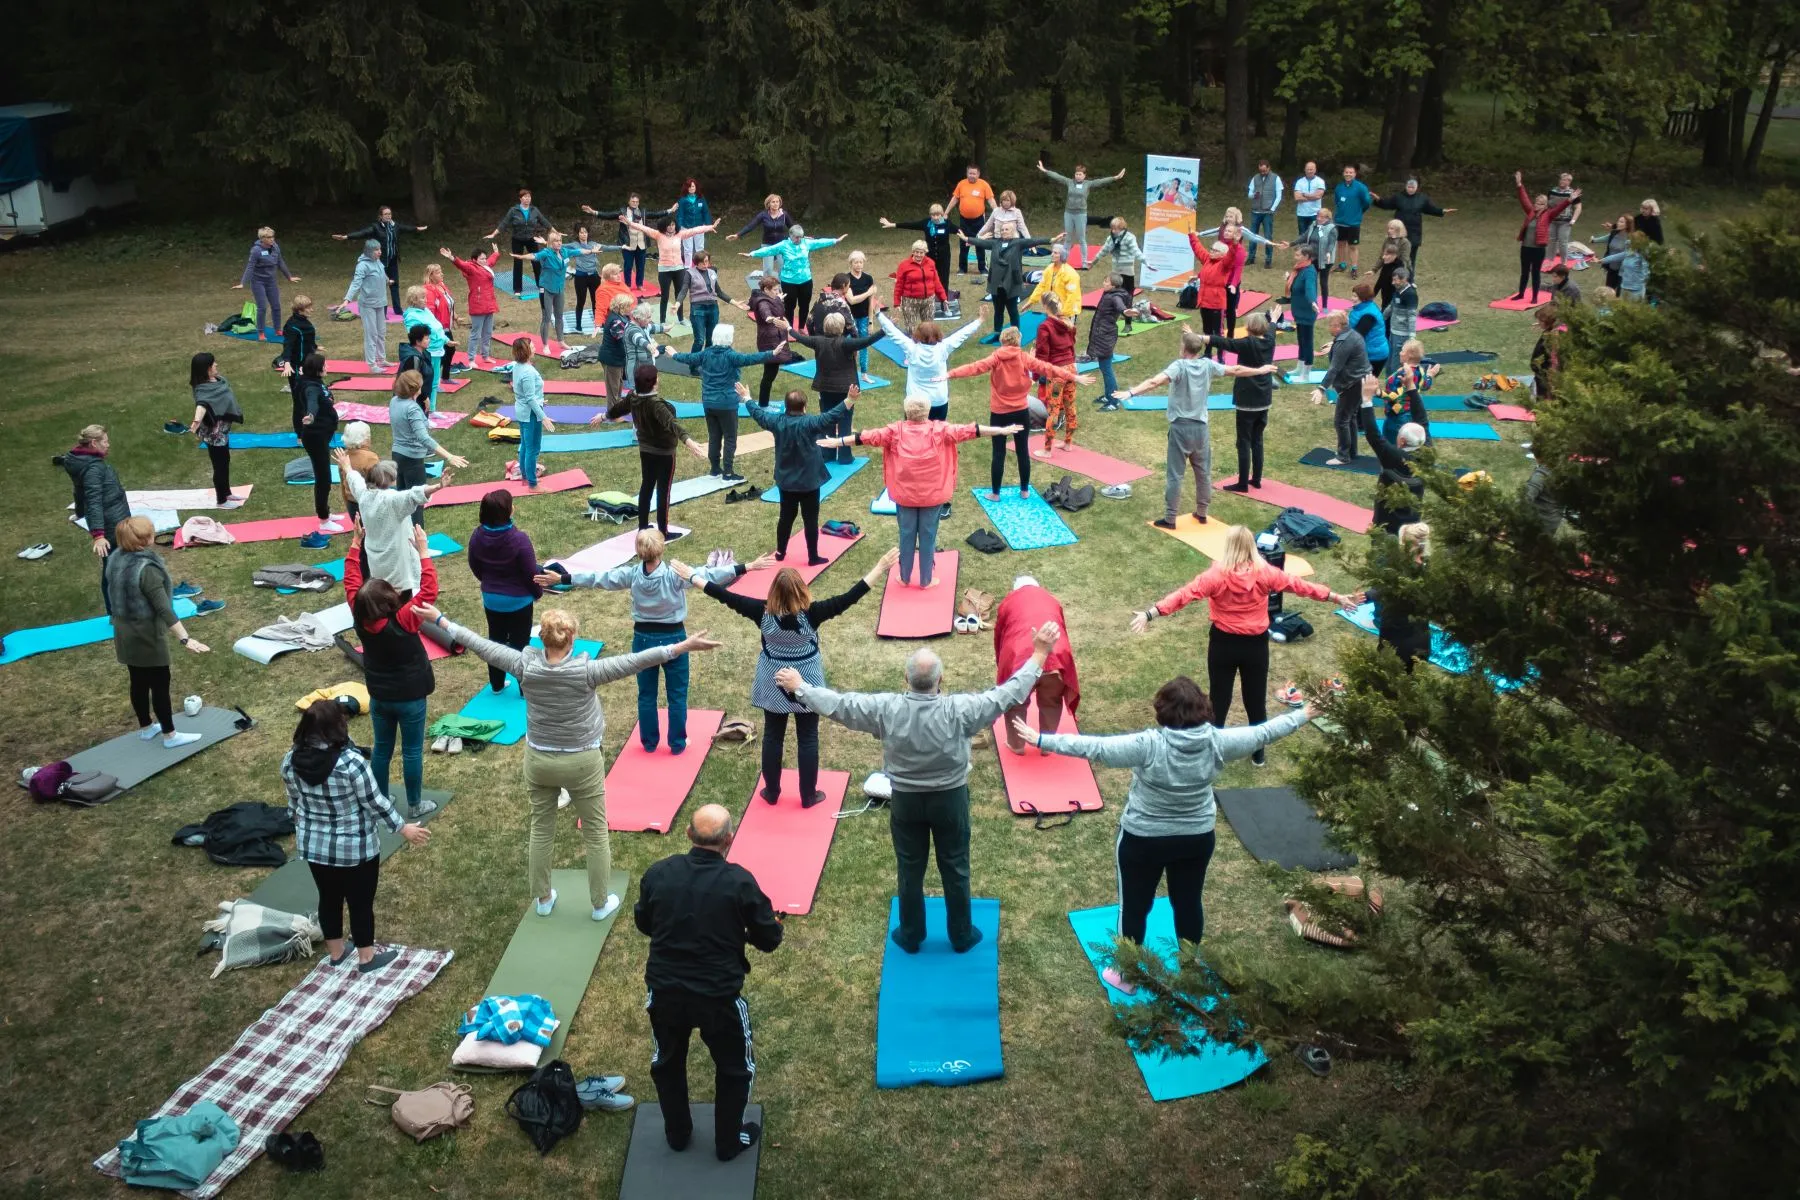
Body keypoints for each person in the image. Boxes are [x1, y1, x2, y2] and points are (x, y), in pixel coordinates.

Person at [419, 596, 719, 917]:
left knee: (541, 828)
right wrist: (682, 646)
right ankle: (600, 904)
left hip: (539, 761)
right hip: (582, 762)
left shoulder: (524, 665)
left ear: (542, 639)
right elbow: (636, 661)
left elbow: (480, 645)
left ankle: (543, 900)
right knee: (595, 831)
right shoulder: (587, 671)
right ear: (572, 638)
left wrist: (441, 620)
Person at [777, 619, 1060, 952]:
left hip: (906, 802)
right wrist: (1040, 652)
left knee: (909, 869)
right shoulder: (962, 710)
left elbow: (840, 706)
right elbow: (1010, 693)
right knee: (956, 867)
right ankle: (961, 936)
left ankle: (911, 936)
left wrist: (801, 687)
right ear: (941, 680)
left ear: (906, 678)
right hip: (950, 800)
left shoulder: (886, 709)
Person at [1015, 679, 1316, 986]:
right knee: (1188, 903)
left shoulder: (1149, 745)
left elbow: (1096, 748)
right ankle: (1190, 971)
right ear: (1203, 709)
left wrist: (1041, 739)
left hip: (1143, 841)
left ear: (1163, 712)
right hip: (1196, 839)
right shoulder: (1218, 742)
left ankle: (1126, 976)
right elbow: (1265, 733)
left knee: (1134, 907)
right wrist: (1304, 713)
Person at [634, 804, 784, 1161]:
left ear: (689, 834)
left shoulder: (659, 873)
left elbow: (645, 923)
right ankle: (728, 1141)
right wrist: (753, 930)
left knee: (668, 1061)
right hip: (719, 997)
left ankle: (677, 1134)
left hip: (665, 992)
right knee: (736, 1068)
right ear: (728, 839)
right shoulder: (740, 882)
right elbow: (769, 939)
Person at [695, 547, 898, 807]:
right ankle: (808, 795)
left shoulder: (760, 611)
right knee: (808, 737)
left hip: (773, 679)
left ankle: (771, 792)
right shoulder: (813, 613)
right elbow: (851, 596)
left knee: (773, 736)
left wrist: (692, 577)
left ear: (773, 592)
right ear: (802, 591)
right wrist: (880, 567)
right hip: (806, 681)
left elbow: (723, 595)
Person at [1129, 524, 1357, 747]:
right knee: (1255, 700)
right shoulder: (1265, 572)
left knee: (1219, 700)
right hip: (1255, 646)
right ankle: (1258, 753)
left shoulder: (1215, 575)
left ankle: (1212, 747)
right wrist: (1336, 597)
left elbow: (1184, 595)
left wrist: (1150, 614)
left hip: (1223, 645)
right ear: (1251, 546)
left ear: (1228, 546)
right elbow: (1299, 585)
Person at [574, 532, 769, 753]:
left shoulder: (631, 575)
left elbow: (598, 578)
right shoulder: (674, 575)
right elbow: (710, 574)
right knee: (677, 694)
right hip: (675, 639)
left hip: (643, 639)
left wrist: (564, 578)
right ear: (662, 549)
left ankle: (649, 743)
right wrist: (746, 566)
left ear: (638, 551)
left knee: (646, 694)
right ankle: (677, 744)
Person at [283, 699, 430, 973]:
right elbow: (375, 803)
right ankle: (366, 958)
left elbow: (294, 803)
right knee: (360, 903)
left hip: (314, 846)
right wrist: (403, 828)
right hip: (355, 847)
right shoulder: (351, 764)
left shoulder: (290, 761)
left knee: (328, 899)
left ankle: (337, 954)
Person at [820, 396, 1019, 587]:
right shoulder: (941, 430)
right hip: (933, 496)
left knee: (906, 536)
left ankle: (904, 577)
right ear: (927, 410)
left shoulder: (895, 431)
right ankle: (926, 580)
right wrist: (1001, 430)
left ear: (907, 411)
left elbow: (866, 437)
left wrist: (838, 442)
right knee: (928, 536)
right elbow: (972, 430)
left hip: (905, 496)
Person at [1123, 330, 1278, 527]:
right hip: (1201, 430)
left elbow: (1155, 381)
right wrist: (1261, 370)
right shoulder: (1207, 364)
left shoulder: (1179, 366)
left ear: (1183, 348)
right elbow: (1236, 370)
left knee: (1175, 475)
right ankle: (1202, 513)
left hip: (1180, 428)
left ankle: (1170, 518)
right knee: (1203, 473)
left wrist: (1131, 392)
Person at [344, 523, 440, 818]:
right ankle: (415, 804)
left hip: (380, 695)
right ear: (388, 600)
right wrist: (423, 552)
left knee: (382, 749)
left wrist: (356, 544)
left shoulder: (359, 615)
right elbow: (429, 591)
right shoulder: (405, 618)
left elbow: (351, 581)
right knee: (411, 751)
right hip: (410, 696)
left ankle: (380, 802)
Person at [104, 514, 210, 749]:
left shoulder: (115, 559)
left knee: (137, 680)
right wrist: (186, 639)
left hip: (123, 630)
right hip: (145, 634)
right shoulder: (147, 569)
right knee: (160, 683)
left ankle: (146, 727)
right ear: (145, 539)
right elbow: (164, 608)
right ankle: (170, 735)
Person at [948, 326, 1082, 499]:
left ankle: (995, 494)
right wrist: (1073, 376)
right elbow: (1048, 368)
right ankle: (1024, 491)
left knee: (998, 453)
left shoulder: (996, 358)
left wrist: (950, 374)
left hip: (999, 414)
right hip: (1020, 412)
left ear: (1002, 341)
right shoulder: (1023, 357)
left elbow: (974, 368)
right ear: (1018, 341)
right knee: (1022, 451)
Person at [744, 387, 854, 563]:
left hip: (786, 482)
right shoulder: (810, 422)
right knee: (810, 519)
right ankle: (813, 557)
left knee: (786, 517)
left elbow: (759, 415)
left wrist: (747, 398)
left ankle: (780, 553)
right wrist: (849, 400)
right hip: (809, 482)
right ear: (804, 406)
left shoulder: (777, 422)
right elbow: (831, 416)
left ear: (786, 406)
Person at [605, 364, 709, 535]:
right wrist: (688, 441)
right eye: (657, 377)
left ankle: (643, 528)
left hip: (645, 450)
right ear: (653, 383)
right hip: (664, 453)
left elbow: (618, 409)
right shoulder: (656, 404)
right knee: (663, 491)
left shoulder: (633, 396)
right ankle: (663, 532)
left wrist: (604, 416)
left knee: (646, 487)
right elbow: (671, 423)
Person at [669, 325, 774, 482]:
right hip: (727, 403)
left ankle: (715, 469)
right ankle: (728, 473)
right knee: (730, 438)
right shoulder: (731, 356)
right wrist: (772, 353)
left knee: (714, 436)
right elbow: (751, 359)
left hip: (708, 402)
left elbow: (688, 358)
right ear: (729, 339)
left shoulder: (706, 354)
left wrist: (674, 354)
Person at [467, 489, 545, 693]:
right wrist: (537, 593)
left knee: (496, 641)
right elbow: (531, 573)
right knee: (521, 644)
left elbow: (474, 565)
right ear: (507, 512)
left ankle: (497, 684)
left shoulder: (477, 536)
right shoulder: (519, 539)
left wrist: (489, 583)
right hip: (518, 601)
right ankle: (525, 689)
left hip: (491, 599)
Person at [338, 453, 452, 590]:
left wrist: (347, 466)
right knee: (401, 595)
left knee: (382, 592)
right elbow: (414, 495)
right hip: (397, 560)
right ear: (390, 480)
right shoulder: (391, 500)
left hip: (375, 559)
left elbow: (354, 480)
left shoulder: (364, 494)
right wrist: (439, 486)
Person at [993, 578, 1078, 751]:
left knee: (1016, 702)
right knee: (1051, 702)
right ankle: (1047, 746)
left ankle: (1016, 745)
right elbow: (1061, 628)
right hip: (1056, 658)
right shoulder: (1052, 599)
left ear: (1015, 589)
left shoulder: (1008, 602)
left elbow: (999, 635)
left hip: (1020, 660)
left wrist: (1000, 662)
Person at [787, 313, 882, 463]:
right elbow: (867, 341)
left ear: (825, 326)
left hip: (825, 388)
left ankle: (827, 454)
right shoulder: (846, 343)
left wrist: (788, 328)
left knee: (827, 419)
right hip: (846, 390)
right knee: (845, 420)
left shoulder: (818, 341)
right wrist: (884, 331)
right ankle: (845, 456)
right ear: (841, 327)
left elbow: (801, 338)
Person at [1202, 313, 1277, 491]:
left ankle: (1243, 483)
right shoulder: (1269, 341)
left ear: (1249, 327)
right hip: (1264, 398)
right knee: (1257, 440)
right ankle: (1256, 479)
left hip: (1247, 400)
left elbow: (1223, 342)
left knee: (1243, 442)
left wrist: (1198, 337)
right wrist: (1274, 319)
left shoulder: (1246, 343)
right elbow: (1272, 330)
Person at [875, 308, 985, 421]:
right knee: (938, 432)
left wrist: (878, 314)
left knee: (912, 432)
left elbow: (892, 331)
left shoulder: (911, 348)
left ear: (918, 334)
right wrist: (979, 320)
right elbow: (963, 334)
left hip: (915, 402)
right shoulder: (944, 347)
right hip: (939, 401)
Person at [387, 370, 468, 525]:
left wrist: (424, 410)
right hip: (412, 460)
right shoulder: (412, 408)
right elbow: (423, 438)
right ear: (415, 388)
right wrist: (449, 456)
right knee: (416, 503)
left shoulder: (394, 401)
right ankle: (418, 539)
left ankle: (405, 535)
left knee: (403, 501)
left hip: (397, 456)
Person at [65, 424, 130, 607]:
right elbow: (93, 501)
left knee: (121, 564)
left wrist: (80, 512)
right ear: (94, 443)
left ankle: (123, 607)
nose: (108, 445)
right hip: (113, 524)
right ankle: (116, 612)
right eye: (105, 442)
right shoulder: (93, 468)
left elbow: (79, 491)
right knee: (115, 567)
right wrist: (99, 536)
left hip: (113, 518)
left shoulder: (79, 460)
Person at [281, 353, 340, 533]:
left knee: (324, 476)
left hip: (321, 435)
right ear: (317, 369)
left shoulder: (313, 381)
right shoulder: (310, 387)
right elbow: (312, 402)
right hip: (315, 437)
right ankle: (324, 519)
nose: (327, 367)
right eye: (325, 365)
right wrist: (311, 415)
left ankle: (326, 512)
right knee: (323, 478)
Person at [744, 225, 845, 330]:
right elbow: (769, 250)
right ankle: (789, 328)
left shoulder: (806, 243)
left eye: (801, 237)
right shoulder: (784, 245)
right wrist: (752, 254)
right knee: (789, 307)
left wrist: (835, 240)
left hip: (805, 280)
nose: (799, 239)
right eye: (797, 237)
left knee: (804, 305)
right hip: (788, 282)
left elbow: (820, 242)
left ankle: (801, 328)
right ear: (790, 235)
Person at [624, 213, 715, 326]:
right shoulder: (658, 235)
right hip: (664, 270)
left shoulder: (679, 234)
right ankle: (662, 321)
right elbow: (643, 228)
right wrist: (629, 223)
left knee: (679, 294)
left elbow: (694, 230)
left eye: (673, 225)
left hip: (679, 269)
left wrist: (710, 227)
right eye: (669, 225)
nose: (671, 227)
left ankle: (681, 319)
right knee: (665, 296)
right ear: (664, 226)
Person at [963, 224, 1057, 333]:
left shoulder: (1018, 243)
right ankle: (997, 332)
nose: (1004, 231)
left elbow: (1035, 241)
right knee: (998, 311)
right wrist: (967, 238)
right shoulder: (995, 243)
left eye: (1006, 229)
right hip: (996, 283)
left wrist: (1051, 240)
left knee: (1012, 311)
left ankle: (1016, 333)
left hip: (1012, 283)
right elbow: (981, 242)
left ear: (1012, 231)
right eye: (1002, 229)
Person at [334, 205, 427, 312]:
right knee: (382, 285)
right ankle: (383, 310)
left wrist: (417, 229)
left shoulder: (395, 226)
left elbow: (406, 228)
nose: (388, 216)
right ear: (380, 216)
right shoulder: (376, 227)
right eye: (386, 214)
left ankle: (397, 309)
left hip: (392, 260)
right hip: (381, 261)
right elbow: (363, 233)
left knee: (394, 284)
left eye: (389, 214)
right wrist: (346, 237)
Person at [1367, 522, 1433, 671]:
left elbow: (1382, 590)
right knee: (1416, 675)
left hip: (1396, 637)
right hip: (1421, 637)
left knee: (1388, 675)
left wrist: (1364, 596)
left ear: (1403, 544)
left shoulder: (1398, 571)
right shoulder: (1430, 567)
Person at [1037, 159, 1125, 268]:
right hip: (1068, 214)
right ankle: (1063, 260)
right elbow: (1058, 176)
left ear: (1084, 175)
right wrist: (1045, 170)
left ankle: (1084, 262)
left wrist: (1115, 177)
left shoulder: (1088, 184)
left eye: (1080, 174)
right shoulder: (1069, 182)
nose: (1078, 176)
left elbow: (1101, 181)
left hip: (1081, 215)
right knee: (1068, 238)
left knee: (1081, 238)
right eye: (1076, 174)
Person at [1511, 171, 1581, 304]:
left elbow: (1560, 208)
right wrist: (1519, 184)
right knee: (1524, 272)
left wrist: (1569, 200)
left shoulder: (1548, 215)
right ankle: (1521, 294)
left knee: (1535, 273)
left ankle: (1534, 297)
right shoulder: (1531, 212)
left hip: (1538, 249)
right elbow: (1524, 199)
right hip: (1525, 247)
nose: (1536, 205)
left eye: (1540, 204)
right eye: (1536, 203)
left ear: (1545, 205)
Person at [1313, 309, 1370, 465]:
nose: (1329, 328)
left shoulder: (1343, 342)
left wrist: (1321, 389)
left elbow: (1334, 368)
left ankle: (1343, 456)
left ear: (1338, 326)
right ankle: (1352, 451)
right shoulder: (1352, 334)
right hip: (1361, 381)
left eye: (1330, 325)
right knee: (1350, 417)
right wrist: (1334, 346)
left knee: (1341, 420)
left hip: (1352, 384)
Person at [188, 353, 243, 507]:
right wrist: (196, 422)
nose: (216, 365)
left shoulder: (219, 381)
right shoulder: (202, 389)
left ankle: (227, 493)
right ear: (206, 369)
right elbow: (202, 405)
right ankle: (221, 500)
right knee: (219, 466)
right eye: (213, 364)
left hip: (223, 431)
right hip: (214, 434)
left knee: (225, 461)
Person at [1369, 177, 1454, 277]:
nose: (1410, 189)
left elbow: (1430, 209)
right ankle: (1394, 277)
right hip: (1399, 231)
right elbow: (1387, 204)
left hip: (1414, 231)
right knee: (1395, 255)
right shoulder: (1398, 197)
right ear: (1406, 187)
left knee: (1411, 257)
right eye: (1409, 187)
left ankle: (1410, 279)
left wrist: (1442, 211)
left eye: (1413, 187)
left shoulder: (1422, 198)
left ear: (1416, 188)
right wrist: (1378, 200)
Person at [331, 240, 391, 373]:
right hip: (367, 304)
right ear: (369, 251)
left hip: (380, 302)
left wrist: (388, 280)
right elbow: (356, 283)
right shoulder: (362, 266)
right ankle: (372, 364)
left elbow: (382, 273)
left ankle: (381, 359)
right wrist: (347, 300)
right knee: (371, 334)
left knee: (381, 332)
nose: (379, 252)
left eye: (380, 249)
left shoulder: (377, 261)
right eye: (376, 250)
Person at [483, 189, 554, 297]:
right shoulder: (514, 210)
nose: (527, 199)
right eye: (525, 197)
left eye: (529, 197)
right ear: (520, 199)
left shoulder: (534, 210)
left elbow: (545, 222)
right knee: (518, 263)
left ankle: (541, 285)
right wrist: (493, 234)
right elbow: (504, 223)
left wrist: (556, 232)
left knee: (536, 261)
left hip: (531, 239)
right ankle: (517, 288)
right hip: (517, 239)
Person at [510, 231, 575, 349]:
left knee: (559, 316)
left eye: (560, 240)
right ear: (551, 242)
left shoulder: (564, 252)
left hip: (559, 289)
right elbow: (534, 256)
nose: (559, 243)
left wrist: (591, 251)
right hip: (546, 289)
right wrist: (521, 257)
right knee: (547, 317)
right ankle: (545, 345)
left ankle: (561, 341)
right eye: (556, 241)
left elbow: (579, 251)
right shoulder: (546, 253)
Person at [1033, 294, 1081, 451]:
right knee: (1070, 406)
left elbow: (1042, 353)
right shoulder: (1067, 323)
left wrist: (1035, 375)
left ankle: (1047, 450)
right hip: (1071, 368)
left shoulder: (1045, 326)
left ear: (1045, 306)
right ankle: (1068, 443)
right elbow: (1072, 346)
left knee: (1053, 410)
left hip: (1057, 372)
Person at [505, 338, 554, 490]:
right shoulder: (527, 372)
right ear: (525, 351)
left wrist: (540, 401)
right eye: (532, 347)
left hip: (523, 411)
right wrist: (543, 417)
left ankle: (526, 476)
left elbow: (526, 394)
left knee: (526, 446)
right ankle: (532, 484)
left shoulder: (518, 367)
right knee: (532, 448)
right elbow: (530, 398)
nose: (534, 348)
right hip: (530, 414)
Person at [442, 243, 501, 365]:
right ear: (475, 259)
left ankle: (485, 356)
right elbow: (461, 265)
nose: (484, 260)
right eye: (481, 259)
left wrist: (496, 252)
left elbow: (491, 260)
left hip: (489, 305)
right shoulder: (471, 268)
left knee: (488, 332)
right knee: (476, 334)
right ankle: (471, 359)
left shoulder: (485, 266)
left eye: (485, 258)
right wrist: (451, 257)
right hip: (478, 306)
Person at [234, 226, 298, 338]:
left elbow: (280, 262)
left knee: (276, 306)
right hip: (258, 282)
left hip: (271, 281)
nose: (272, 239)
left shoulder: (275, 247)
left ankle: (278, 330)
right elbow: (250, 267)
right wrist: (242, 283)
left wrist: (289, 277)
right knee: (262, 307)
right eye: (268, 237)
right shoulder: (256, 250)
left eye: (272, 237)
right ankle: (261, 332)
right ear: (262, 239)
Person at [878, 213, 952, 309]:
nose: (936, 217)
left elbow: (937, 283)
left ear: (942, 215)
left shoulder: (946, 224)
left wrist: (970, 238)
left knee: (942, 280)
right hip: (912, 299)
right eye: (933, 215)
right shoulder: (926, 223)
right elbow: (911, 225)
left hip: (942, 257)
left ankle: (944, 305)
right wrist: (892, 224)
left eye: (938, 215)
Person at [1370, 419, 1426, 535]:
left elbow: (1373, 434)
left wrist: (1366, 407)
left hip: (1385, 525)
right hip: (1412, 526)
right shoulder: (1427, 457)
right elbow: (1423, 420)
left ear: (1402, 441)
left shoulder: (1392, 457)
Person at [1087, 275, 1138, 402]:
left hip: (1105, 336)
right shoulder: (1109, 294)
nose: (1103, 283)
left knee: (1106, 369)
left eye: (1106, 282)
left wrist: (1125, 312)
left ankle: (1113, 401)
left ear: (1113, 285)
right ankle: (1108, 395)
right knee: (1104, 368)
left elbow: (1120, 306)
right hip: (1103, 335)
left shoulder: (1115, 296)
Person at [1378, 339, 1440, 443]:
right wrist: (1430, 375)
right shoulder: (1420, 370)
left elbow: (1394, 396)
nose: (1400, 353)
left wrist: (1377, 392)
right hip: (1412, 412)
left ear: (1409, 355)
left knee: (1390, 444)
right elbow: (1425, 385)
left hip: (1397, 415)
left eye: (1402, 351)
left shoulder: (1402, 374)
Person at [1188, 236, 1242, 348]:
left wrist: (1235, 244)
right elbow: (1198, 249)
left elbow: (1231, 255)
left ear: (1223, 254)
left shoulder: (1224, 264)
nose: (1211, 251)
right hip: (1204, 302)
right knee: (1206, 330)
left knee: (1218, 332)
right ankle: (1207, 353)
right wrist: (1192, 235)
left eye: (1215, 250)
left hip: (1217, 304)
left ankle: (1221, 355)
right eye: (1211, 249)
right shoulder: (1207, 259)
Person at [683, 250, 740, 354]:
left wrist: (735, 303)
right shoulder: (689, 273)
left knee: (711, 339)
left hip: (713, 308)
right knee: (700, 340)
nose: (705, 264)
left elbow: (719, 292)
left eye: (707, 261)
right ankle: (692, 362)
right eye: (702, 262)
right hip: (698, 309)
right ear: (697, 263)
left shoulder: (712, 272)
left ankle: (707, 360)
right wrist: (677, 303)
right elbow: (683, 290)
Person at [400, 287, 449, 406]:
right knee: (424, 382)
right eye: (422, 298)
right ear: (414, 300)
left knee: (435, 382)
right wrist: (430, 340)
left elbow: (437, 327)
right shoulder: (411, 316)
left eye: (425, 297)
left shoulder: (426, 310)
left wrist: (446, 340)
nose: (426, 300)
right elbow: (415, 335)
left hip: (437, 350)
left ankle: (432, 408)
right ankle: (421, 409)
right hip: (427, 352)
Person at [888, 239, 949, 334]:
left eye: (921, 252)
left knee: (928, 328)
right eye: (916, 252)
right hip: (910, 301)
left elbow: (936, 282)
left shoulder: (931, 263)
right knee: (911, 329)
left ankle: (926, 342)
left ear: (925, 252)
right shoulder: (904, 265)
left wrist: (943, 298)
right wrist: (897, 303)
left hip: (928, 300)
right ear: (913, 252)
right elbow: (899, 285)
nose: (919, 255)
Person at [949, 166, 996, 274]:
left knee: (980, 243)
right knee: (963, 243)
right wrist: (946, 212)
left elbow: (991, 200)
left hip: (979, 220)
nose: (972, 175)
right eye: (970, 173)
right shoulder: (961, 184)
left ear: (978, 174)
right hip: (964, 220)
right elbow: (955, 199)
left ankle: (982, 268)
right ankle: (962, 268)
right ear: (967, 173)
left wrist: (997, 213)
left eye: (974, 173)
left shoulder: (984, 184)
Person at [1024, 244, 1082, 331]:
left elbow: (1072, 297)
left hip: (1066, 312)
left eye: (1055, 253)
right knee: (1053, 333)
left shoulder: (1071, 274)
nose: (1052, 255)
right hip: (1052, 308)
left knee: (1066, 334)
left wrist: (1063, 313)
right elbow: (1042, 286)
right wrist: (1031, 301)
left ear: (1062, 256)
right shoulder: (1049, 269)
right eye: (1052, 252)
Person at [843, 251, 881, 383]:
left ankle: (864, 373)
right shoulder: (846, 279)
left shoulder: (868, 278)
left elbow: (871, 302)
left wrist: (871, 321)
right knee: (850, 345)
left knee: (864, 344)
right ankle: (849, 372)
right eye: (856, 262)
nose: (859, 265)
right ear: (851, 263)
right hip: (850, 318)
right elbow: (852, 300)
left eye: (861, 262)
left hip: (864, 317)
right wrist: (868, 292)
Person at [567, 223, 609, 334]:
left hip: (594, 277)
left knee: (596, 301)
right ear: (578, 234)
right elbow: (559, 246)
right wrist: (546, 243)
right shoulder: (575, 245)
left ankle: (598, 323)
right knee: (581, 301)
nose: (583, 234)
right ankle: (578, 325)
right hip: (580, 277)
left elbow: (608, 247)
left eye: (585, 232)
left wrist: (622, 247)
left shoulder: (593, 244)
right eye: (581, 232)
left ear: (588, 233)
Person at [1333, 164, 1373, 276]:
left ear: (1355, 174)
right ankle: (1342, 265)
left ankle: (1354, 268)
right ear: (1343, 173)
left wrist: (1358, 212)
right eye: (1346, 172)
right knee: (1341, 244)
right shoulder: (1339, 187)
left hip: (1353, 222)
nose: (1348, 174)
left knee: (1353, 246)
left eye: (1351, 172)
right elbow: (1337, 202)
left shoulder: (1361, 187)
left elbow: (1367, 202)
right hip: (1340, 221)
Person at [1288, 245, 1321, 377]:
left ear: (1306, 257)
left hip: (1307, 311)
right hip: (1298, 311)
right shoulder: (1300, 269)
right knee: (1301, 340)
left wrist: (1313, 302)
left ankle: (1306, 372)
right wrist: (1289, 279)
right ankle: (1299, 367)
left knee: (1307, 342)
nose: (1295, 257)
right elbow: (1298, 286)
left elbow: (1309, 288)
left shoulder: (1309, 272)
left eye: (1298, 255)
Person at [1347, 281, 1391, 380]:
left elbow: (1357, 336)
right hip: (1366, 353)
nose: (1351, 298)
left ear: (1363, 298)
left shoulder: (1369, 315)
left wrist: (1338, 343)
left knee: (1364, 385)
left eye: (1355, 296)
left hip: (1375, 356)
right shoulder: (1360, 308)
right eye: (1352, 295)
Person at [338, 422, 379, 523]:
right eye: (368, 436)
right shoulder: (370, 458)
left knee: (360, 530)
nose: (370, 438)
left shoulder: (344, 457)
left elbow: (343, 485)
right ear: (362, 440)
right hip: (369, 504)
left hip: (352, 503)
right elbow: (378, 485)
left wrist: (347, 503)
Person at [1092, 218, 1145, 294]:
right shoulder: (1110, 238)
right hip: (1116, 270)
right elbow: (1103, 250)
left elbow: (1136, 251)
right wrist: (1093, 261)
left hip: (1127, 271)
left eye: (1115, 229)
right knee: (1114, 292)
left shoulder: (1129, 237)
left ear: (1121, 228)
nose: (1113, 231)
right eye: (1112, 229)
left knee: (1128, 292)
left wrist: (1145, 261)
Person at [1246, 162, 1284, 266]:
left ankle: (1268, 260)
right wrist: (1253, 195)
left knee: (1268, 236)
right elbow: (1249, 194)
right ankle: (1251, 258)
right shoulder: (1255, 178)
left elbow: (1279, 196)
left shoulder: (1276, 178)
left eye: (1264, 170)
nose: (1262, 172)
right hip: (1255, 212)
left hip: (1268, 213)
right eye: (1261, 171)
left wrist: (1272, 208)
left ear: (1269, 168)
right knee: (1252, 235)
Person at [1599, 226, 1650, 301]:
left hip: (1636, 291)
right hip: (1624, 287)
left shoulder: (1642, 256)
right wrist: (1602, 260)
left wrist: (1638, 283)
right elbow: (1616, 256)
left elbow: (1646, 274)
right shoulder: (1629, 250)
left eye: (1633, 240)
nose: (1630, 241)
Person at [1299, 208, 1338, 305]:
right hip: (1313, 258)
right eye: (1318, 216)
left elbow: (1331, 243)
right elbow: (1304, 236)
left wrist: (1328, 252)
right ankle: (1312, 302)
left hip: (1325, 260)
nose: (1318, 218)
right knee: (1311, 280)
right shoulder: (1313, 225)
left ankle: (1324, 305)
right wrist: (1291, 244)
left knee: (1323, 282)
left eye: (1321, 217)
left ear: (1327, 218)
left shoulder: (1331, 229)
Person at [727, 193, 795, 248]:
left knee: (782, 262)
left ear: (780, 203)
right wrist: (738, 235)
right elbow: (750, 226)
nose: (775, 204)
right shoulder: (763, 215)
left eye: (777, 202)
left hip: (781, 245)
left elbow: (793, 228)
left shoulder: (784, 214)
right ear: (768, 204)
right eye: (773, 202)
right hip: (767, 245)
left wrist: (800, 237)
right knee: (768, 262)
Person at [672, 178, 713, 266]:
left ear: (696, 187)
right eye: (689, 186)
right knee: (688, 249)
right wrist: (678, 227)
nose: (691, 188)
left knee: (700, 248)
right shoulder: (683, 200)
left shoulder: (700, 198)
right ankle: (688, 267)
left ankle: (700, 265)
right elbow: (680, 215)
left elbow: (705, 212)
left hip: (699, 227)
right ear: (686, 188)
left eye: (693, 186)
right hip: (686, 227)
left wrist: (709, 225)